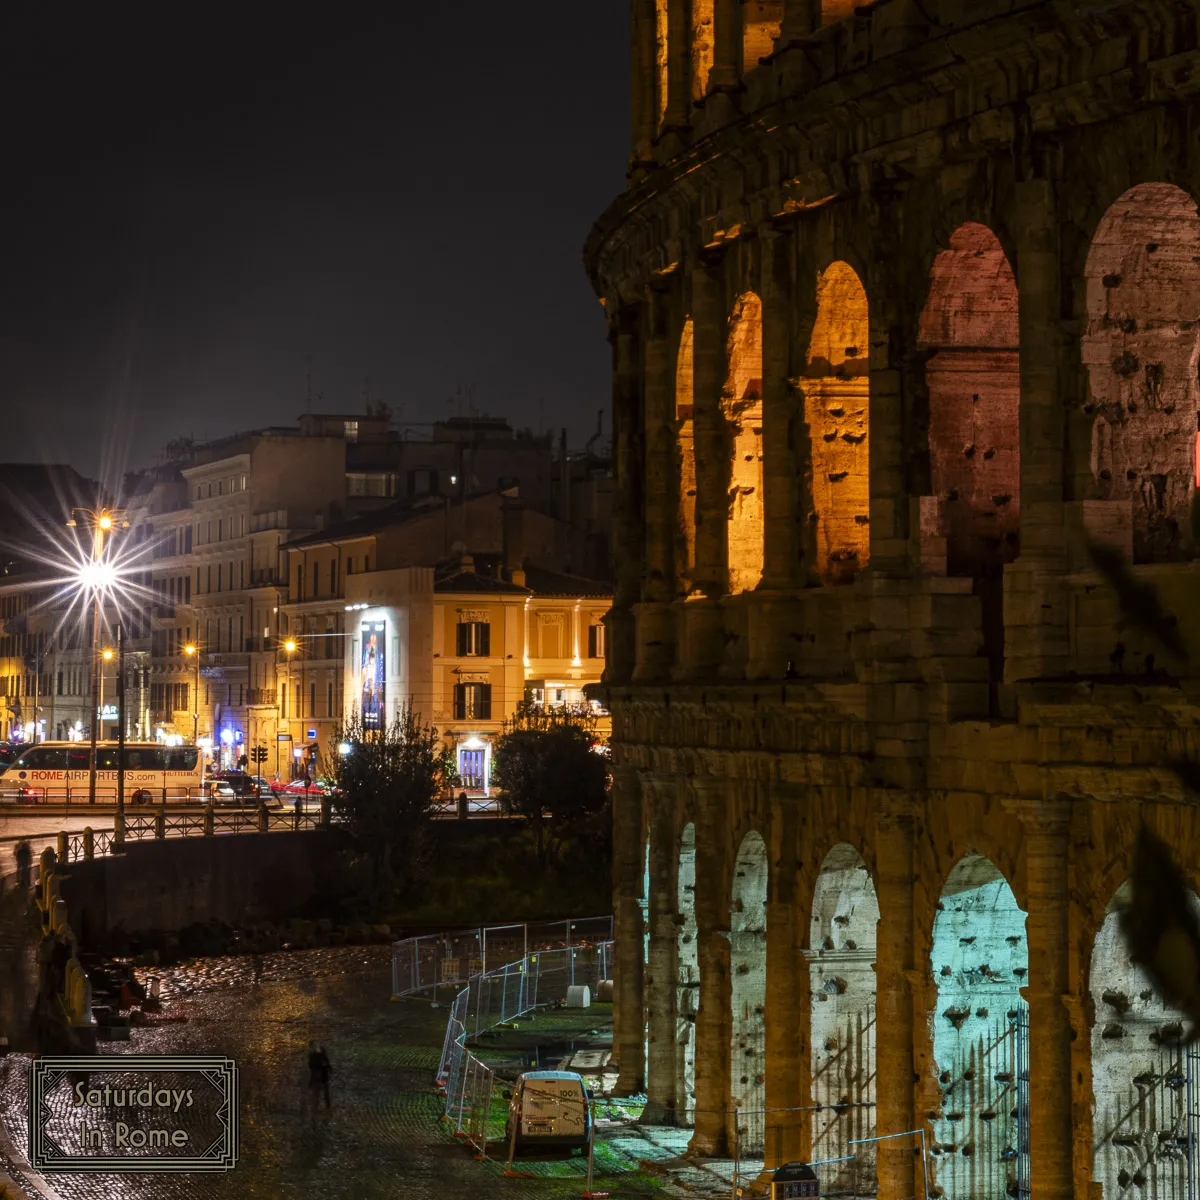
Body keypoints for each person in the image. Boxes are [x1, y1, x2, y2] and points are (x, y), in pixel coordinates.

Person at [307, 1040, 332, 1110]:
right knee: (317, 1092)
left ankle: (328, 1107)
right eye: (314, 1045)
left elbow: (326, 1060)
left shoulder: (322, 1051)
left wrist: (329, 1067)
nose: (316, 1046)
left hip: (323, 1074)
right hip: (317, 1075)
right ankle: (316, 1107)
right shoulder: (312, 1054)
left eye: (317, 1044)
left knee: (325, 1091)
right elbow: (311, 1066)